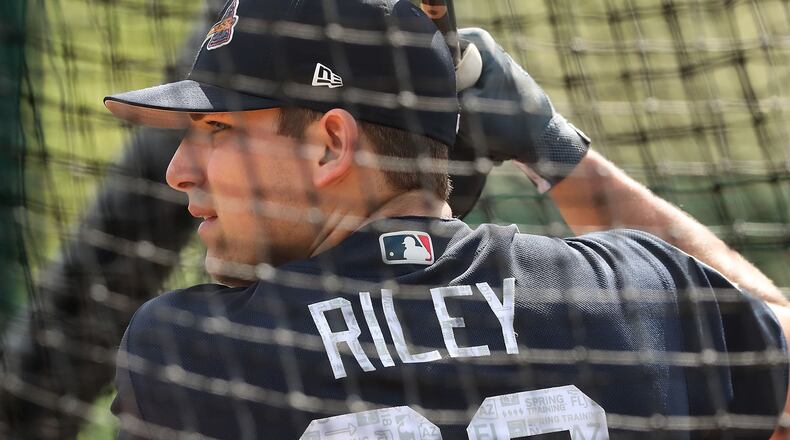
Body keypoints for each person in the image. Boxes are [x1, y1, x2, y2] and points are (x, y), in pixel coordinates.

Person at [103, 0, 789, 438]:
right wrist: (559, 153)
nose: (178, 171)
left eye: (217, 129)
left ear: (332, 145)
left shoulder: (193, 355)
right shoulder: (636, 294)